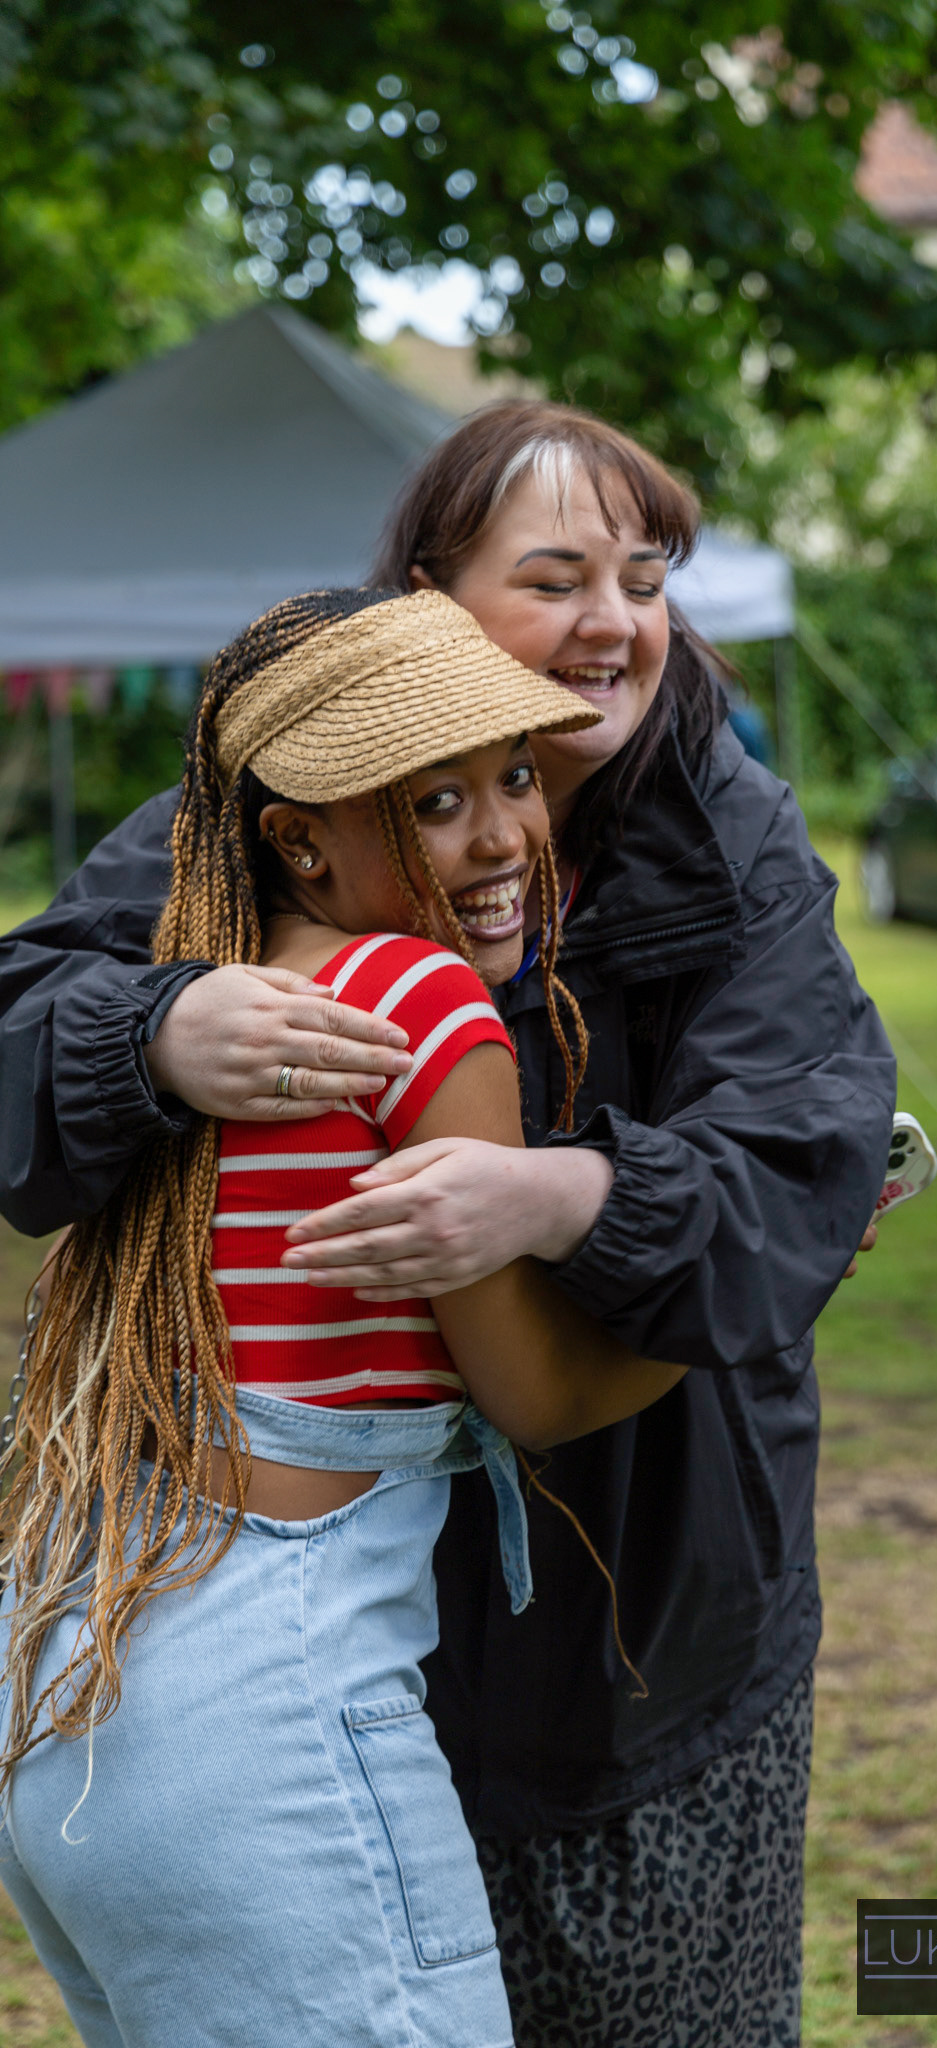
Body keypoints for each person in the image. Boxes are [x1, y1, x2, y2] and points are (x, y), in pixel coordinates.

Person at [0, 402, 896, 2045]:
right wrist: (154, 1033)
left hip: (643, 1631)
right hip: (294, 1638)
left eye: (646, 578)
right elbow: (24, 1025)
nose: (614, 623)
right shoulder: (270, 796)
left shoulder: (730, 833)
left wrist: (569, 1191)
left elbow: (797, 1158)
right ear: (429, 598)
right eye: (555, 578)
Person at [0, 584, 692, 2048]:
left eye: (516, 775)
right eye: (436, 801)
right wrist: (743, 1305)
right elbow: (533, 1390)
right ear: (300, 839)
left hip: (67, 1681)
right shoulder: (418, 1004)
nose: (503, 836)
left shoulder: (210, 1004)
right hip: (265, 1701)